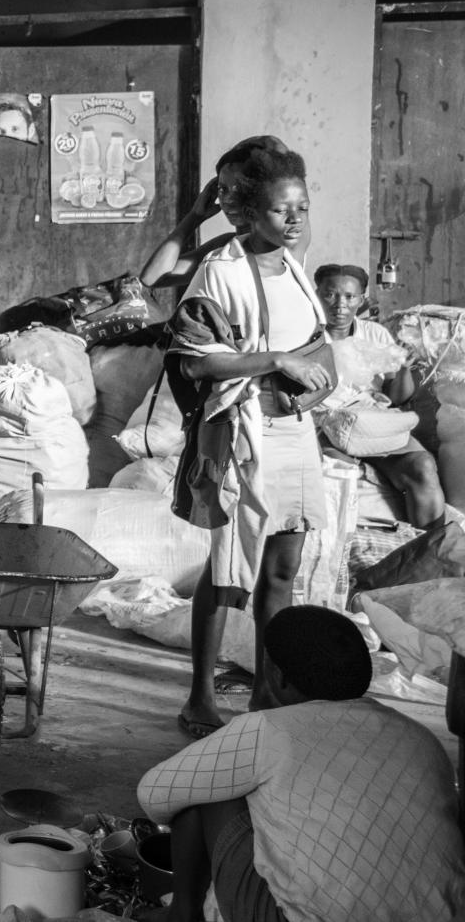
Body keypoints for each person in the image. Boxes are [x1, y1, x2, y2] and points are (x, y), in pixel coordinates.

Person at [138, 605, 465, 922]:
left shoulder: (268, 728)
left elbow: (155, 793)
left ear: (276, 676)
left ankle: (181, 914)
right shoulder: (419, 737)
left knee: (204, 788)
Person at [169, 148, 335, 736]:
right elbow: (196, 361)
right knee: (226, 570)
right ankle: (200, 698)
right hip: (243, 434)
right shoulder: (221, 270)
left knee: (281, 571)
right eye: (280, 208)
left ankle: (267, 691)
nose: (293, 219)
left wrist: (314, 372)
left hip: (293, 433)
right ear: (246, 212)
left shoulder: (295, 266)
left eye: (301, 208)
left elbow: (316, 341)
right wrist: (278, 359)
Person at [312, 263, 447, 526]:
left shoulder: (374, 333)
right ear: (316, 294)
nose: (340, 304)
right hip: (325, 422)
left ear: (361, 299)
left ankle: (431, 549)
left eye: (350, 297)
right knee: (339, 472)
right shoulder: (305, 334)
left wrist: (404, 369)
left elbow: (397, 397)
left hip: (371, 420)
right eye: (330, 295)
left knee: (423, 466)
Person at [140, 135, 293, 290]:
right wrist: (194, 217)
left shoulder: (278, 245)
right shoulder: (225, 246)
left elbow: (278, 154)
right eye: (222, 189)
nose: (229, 199)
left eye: (240, 189)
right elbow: (151, 278)